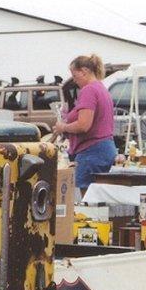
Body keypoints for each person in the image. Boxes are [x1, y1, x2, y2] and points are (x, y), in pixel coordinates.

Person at [52, 54, 115, 194]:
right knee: (96, 199)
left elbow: (83, 125)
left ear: (84, 71)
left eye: (75, 76)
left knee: (86, 200)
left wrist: (63, 127)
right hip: (103, 149)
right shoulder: (101, 88)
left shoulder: (89, 90)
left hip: (92, 152)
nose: (74, 80)